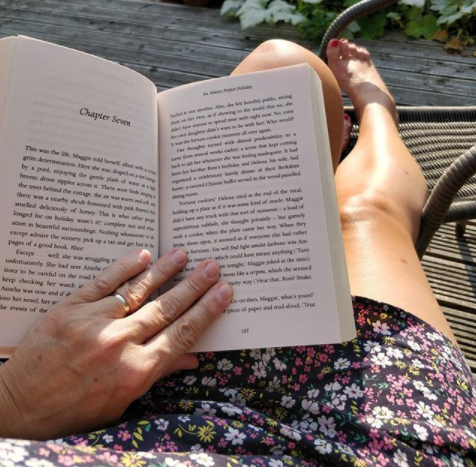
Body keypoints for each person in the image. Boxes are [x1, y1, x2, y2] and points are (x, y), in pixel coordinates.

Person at [0, 38, 475, 467]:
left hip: (108, 374)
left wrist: (16, 402)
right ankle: (377, 110)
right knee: (365, 214)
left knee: (284, 63)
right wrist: (17, 408)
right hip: (367, 432)